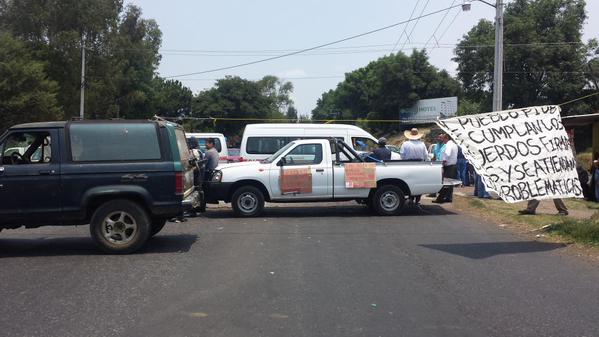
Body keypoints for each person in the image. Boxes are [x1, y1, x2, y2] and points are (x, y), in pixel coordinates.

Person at [400, 128, 428, 205]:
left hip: (409, 164)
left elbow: (402, 155)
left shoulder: (405, 144)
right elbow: (426, 155)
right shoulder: (422, 144)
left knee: (409, 180)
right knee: (419, 181)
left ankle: (411, 198)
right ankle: (418, 199)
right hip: (420, 164)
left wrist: (405, 160)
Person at [433, 133, 458, 203]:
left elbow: (447, 154)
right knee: (450, 184)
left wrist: (443, 163)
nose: (442, 140)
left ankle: (440, 199)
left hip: (448, 166)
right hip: (452, 165)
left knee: (446, 183)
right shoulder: (454, 144)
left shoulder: (448, 145)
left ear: (446, 138)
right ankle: (448, 197)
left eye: (443, 138)